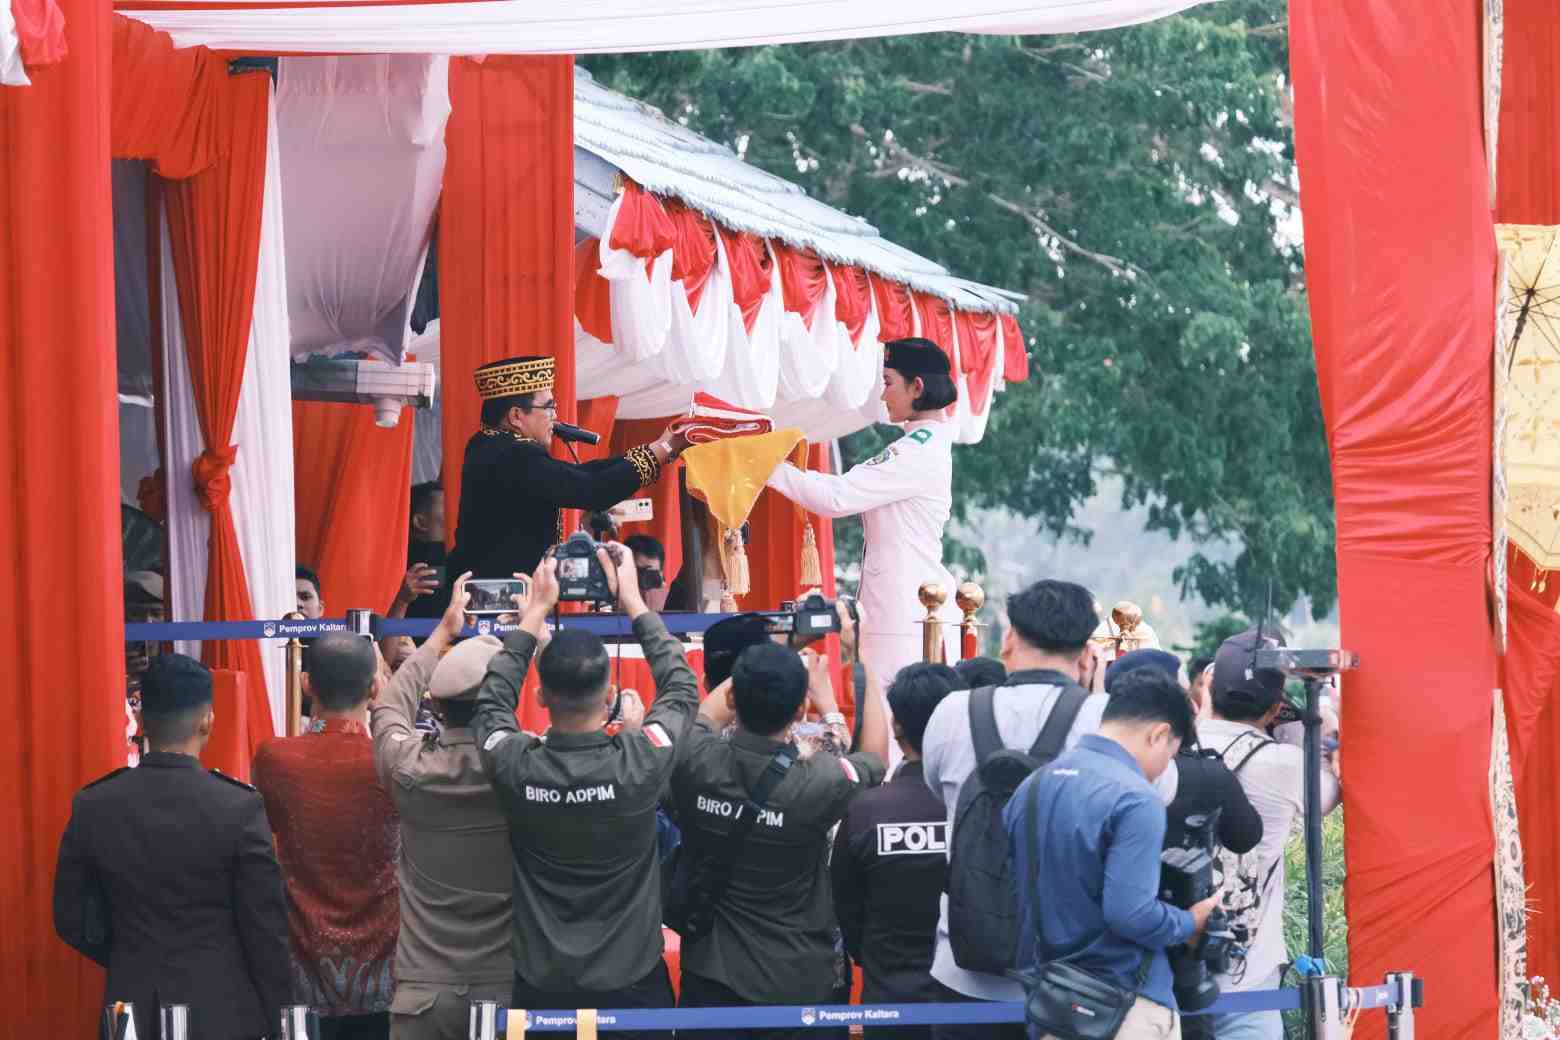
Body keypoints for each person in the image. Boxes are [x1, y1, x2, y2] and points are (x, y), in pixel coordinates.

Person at [471, 545, 701, 1036]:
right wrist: (635, 603)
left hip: (541, 988)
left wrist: (534, 613)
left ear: (538, 697)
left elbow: (489, 705)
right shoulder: (640, 762)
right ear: (612, 697)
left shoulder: (514, 764)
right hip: (633, 985)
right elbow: (681, 689)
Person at [919, 579, 1120, 1038]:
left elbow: (940, 793)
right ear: (1087, 653)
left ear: (1010, 637)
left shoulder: (952, 711)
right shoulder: (1106, 718)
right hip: (1072, 982)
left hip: (963, 973)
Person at [670, 620, 890, 1038]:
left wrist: (755, 671)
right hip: (798, 981)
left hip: (714, 979)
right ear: (798, 710)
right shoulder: (817, 782)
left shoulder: (696, 761)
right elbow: (875, 756)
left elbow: (704, 716)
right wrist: (860, 660)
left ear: (733, 695)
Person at [54, 654, 290, 1040]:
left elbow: (70, 918)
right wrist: (282, 1018)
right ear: (207, 722)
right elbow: (267, 931)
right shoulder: (239, 806)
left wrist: (128, 954)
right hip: (222, 1009)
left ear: (142, 722)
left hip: (128, 1008)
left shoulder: (95, 804)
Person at [1006, 669, 1218, 1040]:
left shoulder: (1033, 785)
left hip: (1051, 1002)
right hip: (1123, 1007)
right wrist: (1190, 922)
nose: (1162, 769)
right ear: (1159, 734)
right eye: (1169, 755)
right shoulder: (1136, 798)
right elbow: (1130, 914)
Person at [764, 337, 962, 704]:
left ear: (917, 386)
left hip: (902, 612)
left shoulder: (917, 450)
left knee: (888, 727)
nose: (883, 396)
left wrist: (763, 467)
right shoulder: (918, 444)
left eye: (888, 382)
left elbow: (837, 497)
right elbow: (842, 489)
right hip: (898, 607)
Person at [371, 572, 514, 1040]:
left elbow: (388, 707)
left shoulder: (408, 769)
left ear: (435, 706)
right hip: (507, 991)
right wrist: (536, 634)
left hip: (424, 998)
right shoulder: (527, 771)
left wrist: (442, 633)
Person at [253, 633, 400, 1040]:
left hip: (303, 965)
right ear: (374, 688)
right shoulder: (391, 761)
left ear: (306, 684)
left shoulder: (274, 758)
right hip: (384, 971)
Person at [1198, 628, 1340, 1040]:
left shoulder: (1173, 745)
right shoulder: (1284, 766)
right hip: (1249, 979)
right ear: (1276, 708)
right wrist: (1321, 719)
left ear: (1210, 687)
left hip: (1178, 975)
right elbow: (1330, 789)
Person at [446, 355, 690, 583]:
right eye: (549, 407)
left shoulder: (492, 445)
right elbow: (591, 489)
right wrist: (662, 450)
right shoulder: (513, 453)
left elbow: (584, 474)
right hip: (496, 601)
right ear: (516, 416)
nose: (555, 416)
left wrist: (656, 451)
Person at [832, 663, 961, 1040]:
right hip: (966, 997)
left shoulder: (868, 809)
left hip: (890, 997)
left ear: (897, 726)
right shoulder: (976, 805)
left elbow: (845, 905)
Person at [625, 533, 670, 612]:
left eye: (650, 573)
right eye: (638, 572)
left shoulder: (674, 597)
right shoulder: (614, 592)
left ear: (661, 574)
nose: (643, 579)